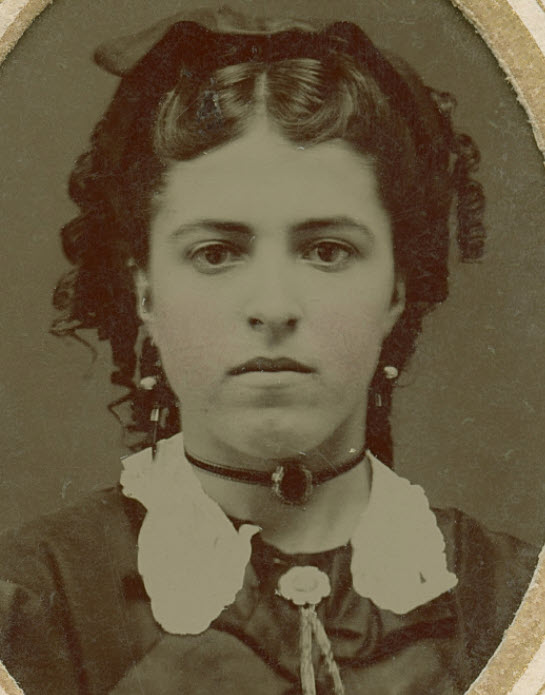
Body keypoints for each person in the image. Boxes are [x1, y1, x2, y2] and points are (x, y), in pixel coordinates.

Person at [0, 8, 538, 695]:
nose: (274, 306)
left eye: (327, 250)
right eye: (216, 252)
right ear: (144, 293)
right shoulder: (34, 603)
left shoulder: (509, 596)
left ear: (397, 290)